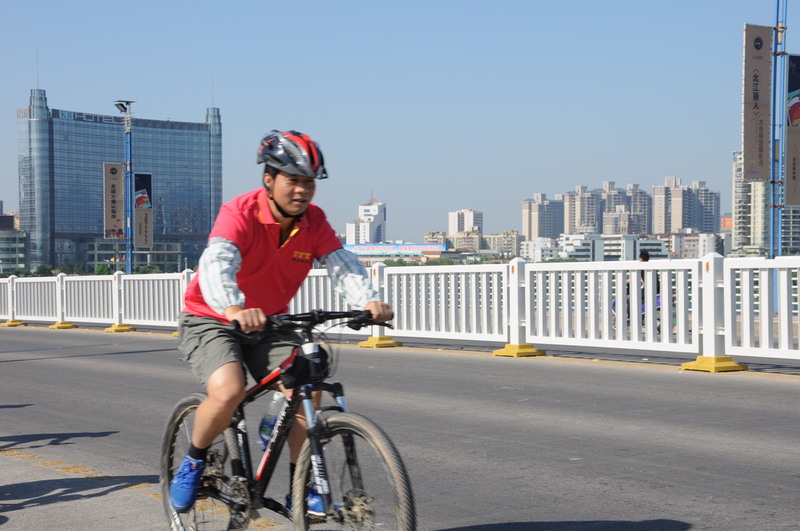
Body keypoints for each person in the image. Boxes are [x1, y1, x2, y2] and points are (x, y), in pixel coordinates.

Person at [169, 130, 393, 515]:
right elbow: (217, 264)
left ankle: (299, 487)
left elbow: (341, 263)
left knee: (308, 383)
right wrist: (233, 308)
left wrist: (368, 301)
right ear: (269, 180)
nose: (302, 190)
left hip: (268, 323)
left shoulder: (314, 221)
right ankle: (193, 462)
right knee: (229, 390)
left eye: (309, 182)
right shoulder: (239, 213)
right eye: (293, 180)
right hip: (212, 317)